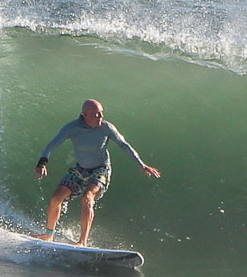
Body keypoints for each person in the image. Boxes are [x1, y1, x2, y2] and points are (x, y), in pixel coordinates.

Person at [32, 99, 160, 246]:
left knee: (87, 198)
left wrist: (142, 164)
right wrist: (42, 163)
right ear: (85, 115)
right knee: (56, 198)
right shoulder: (72, 128)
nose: (100, 117)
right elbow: (52, 145)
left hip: (101, 168)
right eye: (96, 114)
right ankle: (49, 235)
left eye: (101, 114)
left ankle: (82, 242)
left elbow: (124, 145)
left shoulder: (106, 128)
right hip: (81, 168)